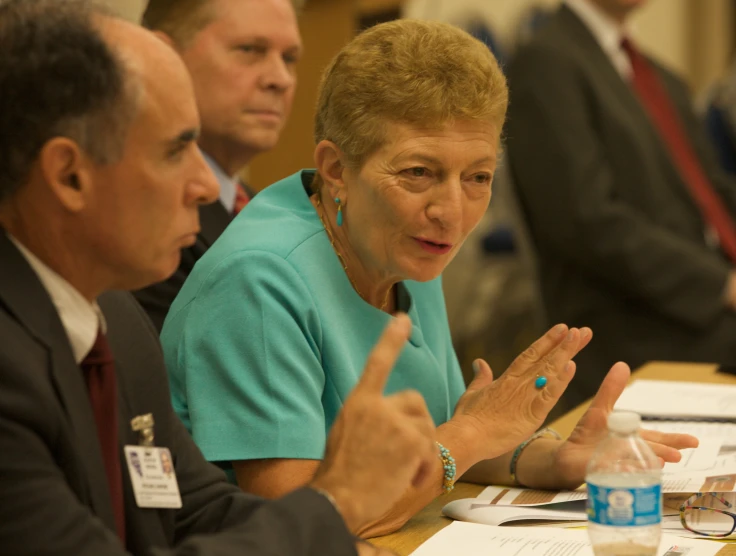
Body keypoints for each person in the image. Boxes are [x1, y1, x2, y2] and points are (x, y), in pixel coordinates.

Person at [160, 19, 697, 537]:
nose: (452, 212)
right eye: (418, 173)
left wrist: (554, 457)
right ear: (336, 170)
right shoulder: (259, 281)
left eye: (478, 177)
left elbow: (437, 450)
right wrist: (472, 433)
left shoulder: (402, 245)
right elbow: (295, 524)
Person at [0, 2, 439, 554]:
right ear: (69, 175)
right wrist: (335, 503)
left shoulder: (114, 317)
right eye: (175, 150)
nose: (205, 188)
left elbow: (195, 508)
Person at [504, 0, 736, 409]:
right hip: (633, 319)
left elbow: (712, 188)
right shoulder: (546, 63)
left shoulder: (661, 75)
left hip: (704, 302)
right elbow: (587, 221)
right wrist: (721, 286)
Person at [133, 0, 303, 331]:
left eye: (290, 58)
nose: (281, 79)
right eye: (251, 49)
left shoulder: (267, 212)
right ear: (163, 55)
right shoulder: (135, 212)